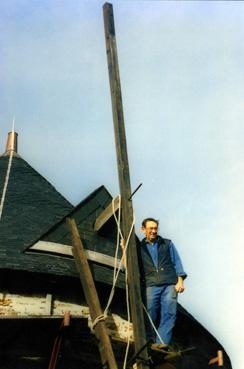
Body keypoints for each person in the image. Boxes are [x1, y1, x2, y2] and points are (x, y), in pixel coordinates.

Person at [138, 218, 187, 346]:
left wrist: (180, 281)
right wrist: (123, 248)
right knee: (150, 313)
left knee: (169, 314)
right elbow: (129, 266)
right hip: (151, 284)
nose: (154, 231)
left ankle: (161, 344)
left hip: (170, 284)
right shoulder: (139, 248)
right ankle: (149, 342)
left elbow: (177, 262)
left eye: (155, 228)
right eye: (150, 228)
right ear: (143, 230)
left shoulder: (167, 243)